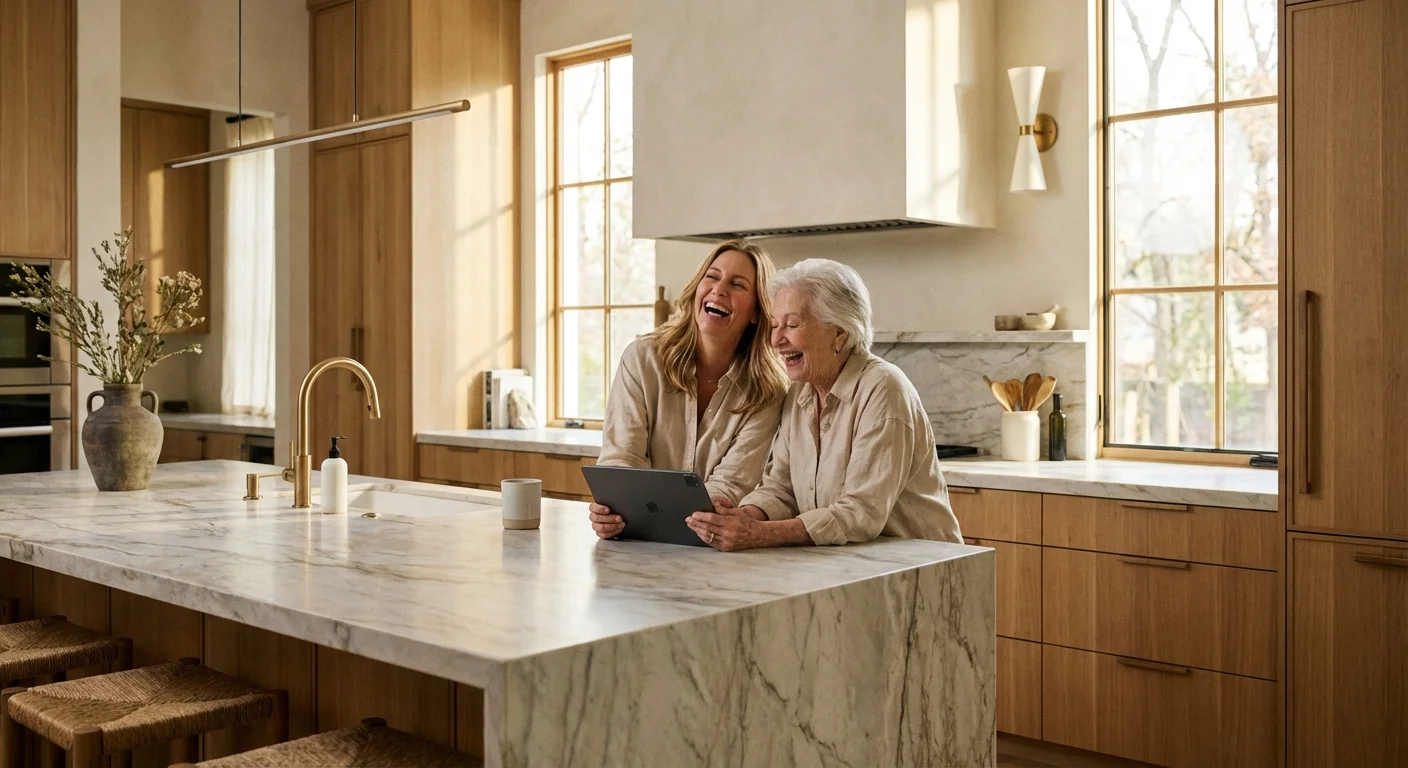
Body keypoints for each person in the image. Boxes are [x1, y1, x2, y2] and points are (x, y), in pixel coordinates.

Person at [685, 258, 962, 550]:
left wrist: (761, 533)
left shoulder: (883, 388)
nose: (776, 340)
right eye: (775, 325)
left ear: (839, 333)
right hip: (852, 563)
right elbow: (781, 489)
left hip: (922, 564)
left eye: (792, 324)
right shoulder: (799, 393)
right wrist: (742, 517)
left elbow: (861, 512)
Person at [589, 240, 789, 539]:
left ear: (757, 313)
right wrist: (611, 510)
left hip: (710, 541)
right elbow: (622, 458)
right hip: (633, 537)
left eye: (737, 284)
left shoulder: (767, 390)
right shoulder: (642, 358)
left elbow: (732, 482)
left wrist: (689, 517)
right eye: (712, 276)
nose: (719, 290)